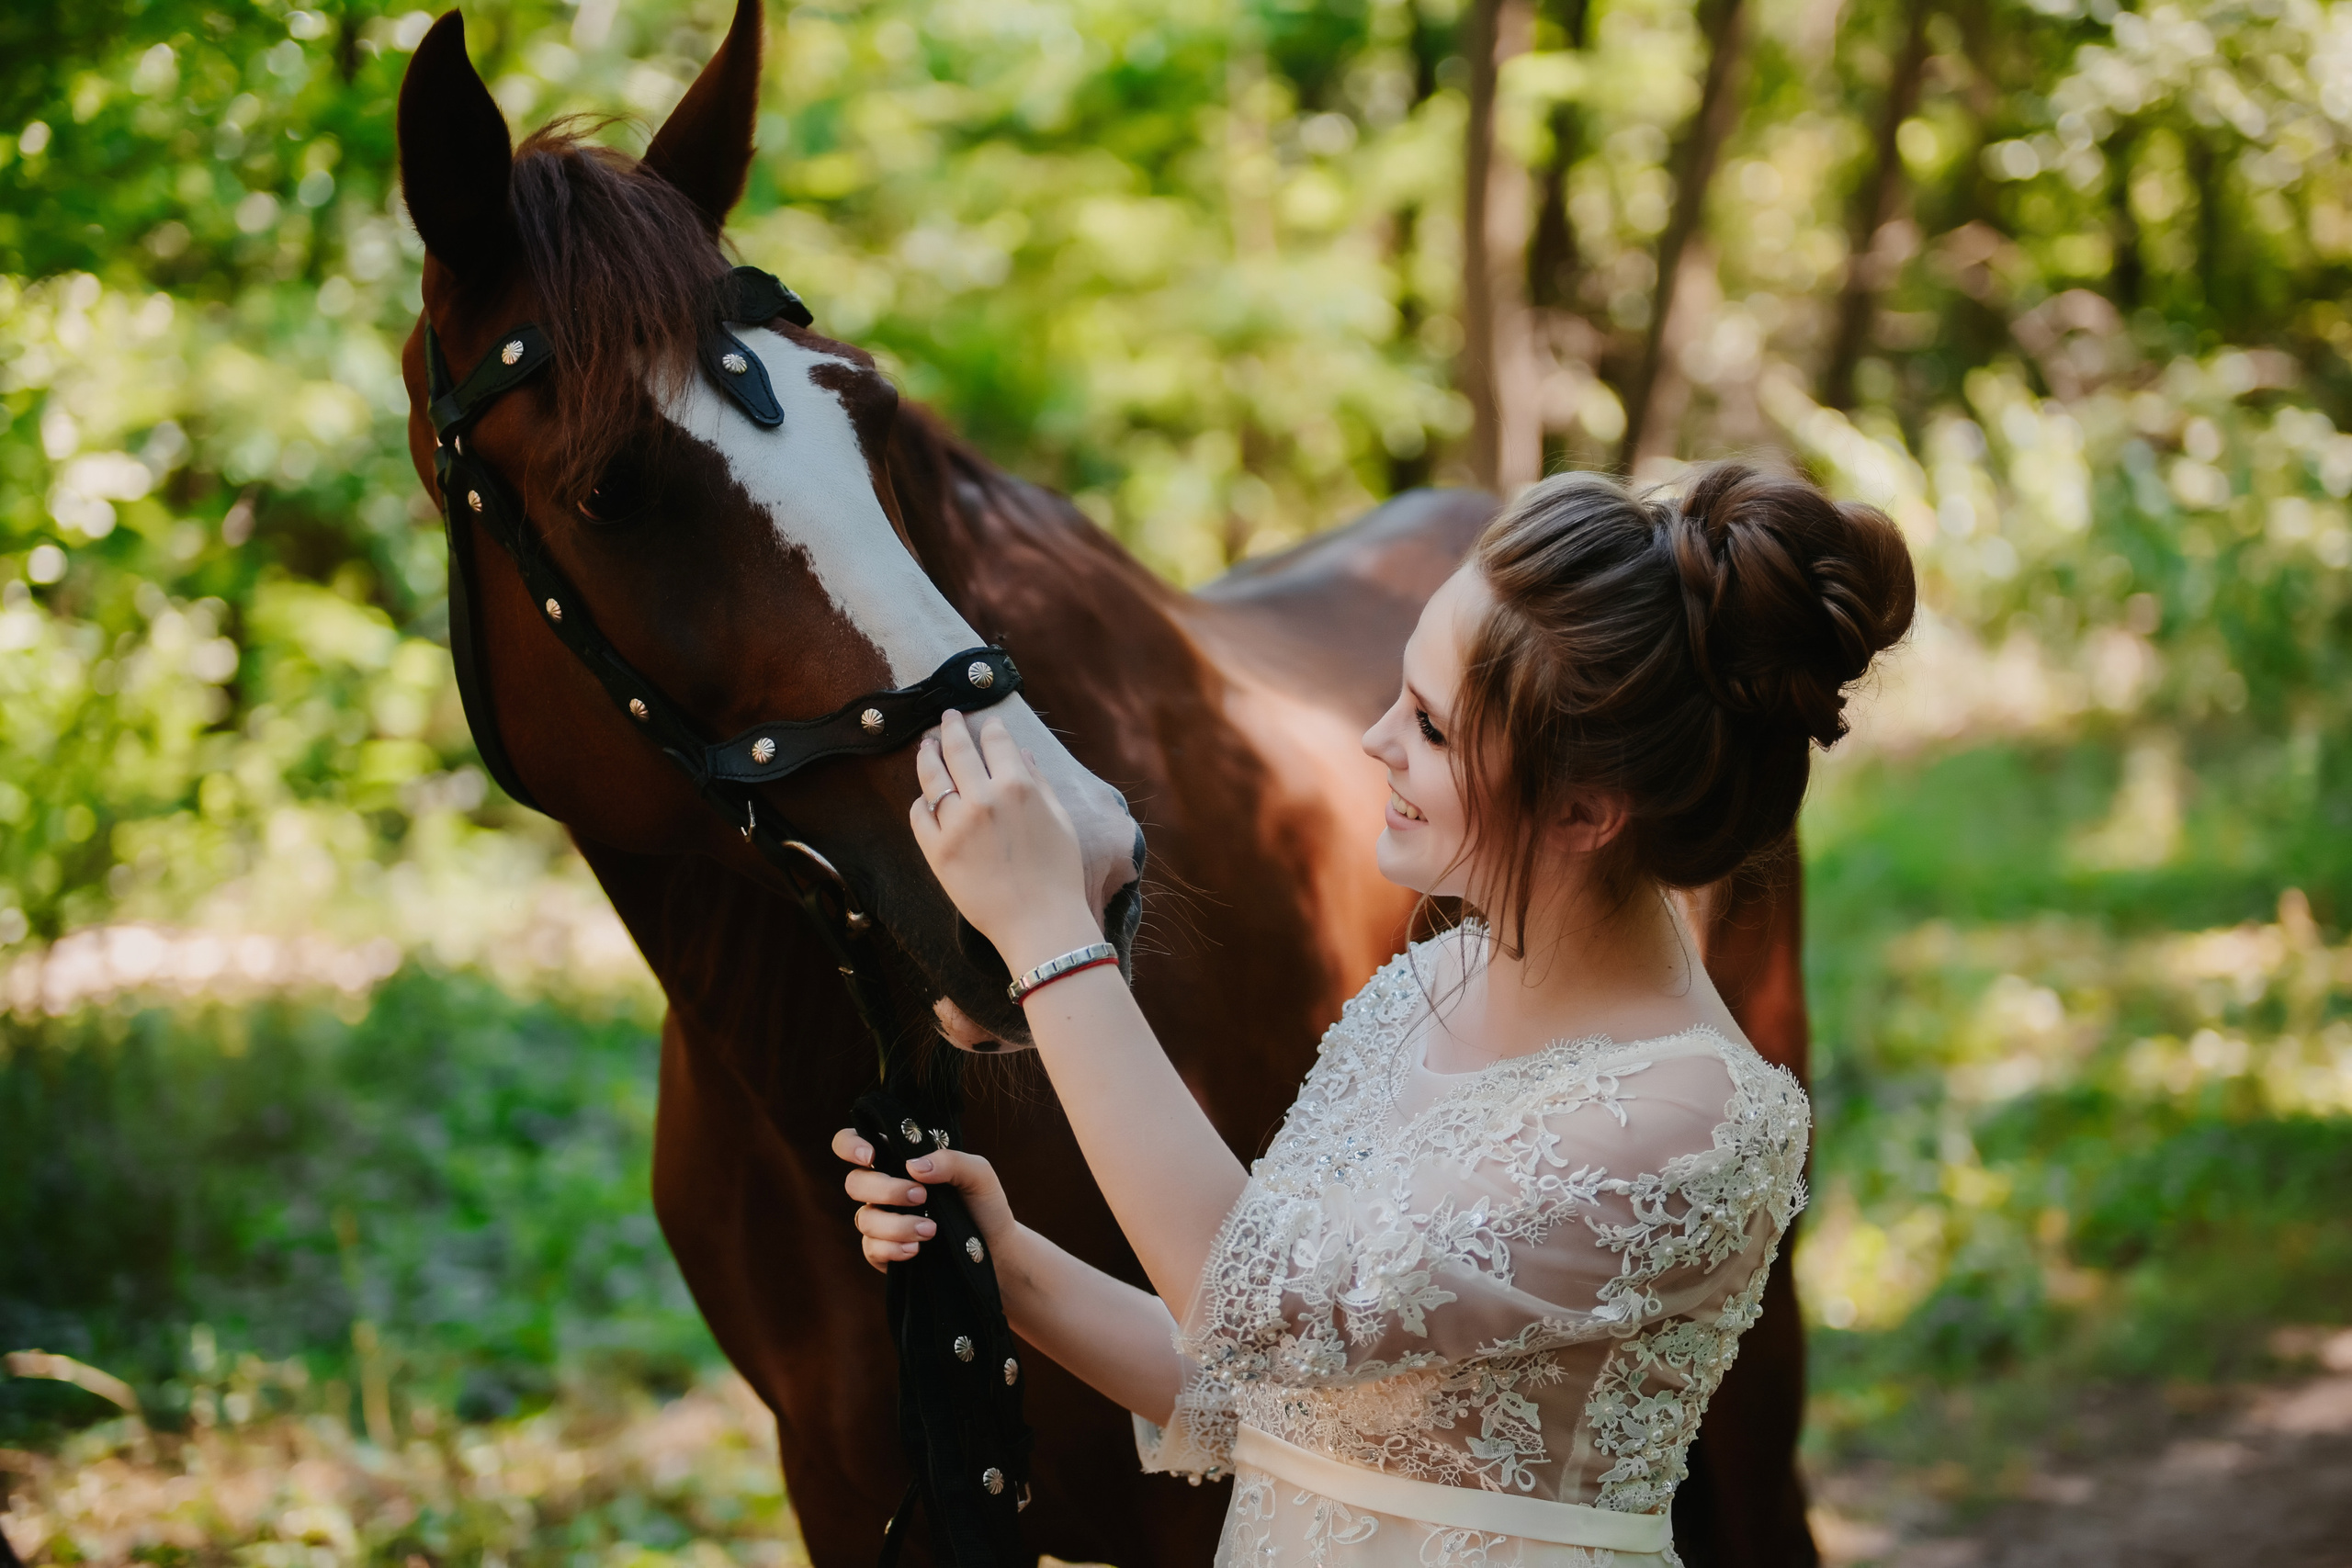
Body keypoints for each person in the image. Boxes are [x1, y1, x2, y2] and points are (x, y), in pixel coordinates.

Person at [834, 463, 1916, 1566]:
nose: (1374, 739)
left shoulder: (1695, 1114)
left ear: (1584, 809)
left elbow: (1259, 1307)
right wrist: (1008, 1262)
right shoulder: (1425, 986)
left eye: (1434, 729)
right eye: (1402, 694)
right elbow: (1271, 1393)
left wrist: (1046, 937)